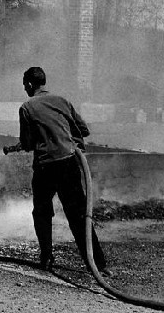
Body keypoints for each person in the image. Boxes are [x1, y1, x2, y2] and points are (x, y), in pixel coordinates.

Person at [11, 66, 109, 275]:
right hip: (69, 164)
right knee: (79, 215)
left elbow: (28, 143)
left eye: (24, 86)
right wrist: (71, 142)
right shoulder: (62, 101)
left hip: (46, 166)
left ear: (29, 84)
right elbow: (83, 130)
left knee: (42, 212)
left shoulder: (27, 107)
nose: (25, 89)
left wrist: (27, 143)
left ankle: (46, 258)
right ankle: (98, 265)